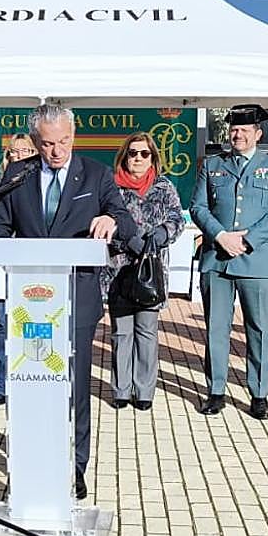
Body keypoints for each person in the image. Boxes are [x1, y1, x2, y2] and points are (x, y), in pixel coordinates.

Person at [0, 104, 135, 500]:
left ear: (74, 135)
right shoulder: (18, 175)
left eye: (64, 141)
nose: (57, 151)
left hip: (77, 298)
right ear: (36, 141)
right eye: (48, 144)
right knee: (30, 382)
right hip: (28, 301)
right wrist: (12, 248)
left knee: (75, 387)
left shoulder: (96, 175)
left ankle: (75, 467)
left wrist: (112, 221)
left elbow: (126, 222)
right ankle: (29, 465)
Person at [189, 104, 268, 420]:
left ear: (258, 134)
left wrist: (247, 240)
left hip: (256, 259)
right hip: (217, 259)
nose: (238, 135)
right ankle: (216, 391)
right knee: (216, 327)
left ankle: (259, 394)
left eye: (245, 130)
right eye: (234, 130)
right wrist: (221, 235)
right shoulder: (213, 165)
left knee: (258, 329)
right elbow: (198, 207)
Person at [101, 131, 184, 411]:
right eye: (133, 153)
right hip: (119, 271)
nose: (138, 158)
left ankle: (145, 390)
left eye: (144, 153)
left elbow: (176, 218)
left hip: (151, 270)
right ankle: (121, 390)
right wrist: (125, 239)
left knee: (147, 332)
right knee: (121, 333)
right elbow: (101, 221)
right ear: (124, 156)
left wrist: (163, 233)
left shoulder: (164, 186)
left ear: (153, 158)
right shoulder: (111, 187)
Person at [0, 133, 37, 406]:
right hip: (2, 265)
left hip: (31, 264)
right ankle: (0, 384)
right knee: (2, 324)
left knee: (31, 324)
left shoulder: (40, 181)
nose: (19, 156)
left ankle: (29, 379)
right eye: (14, 152)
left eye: (26, 151)